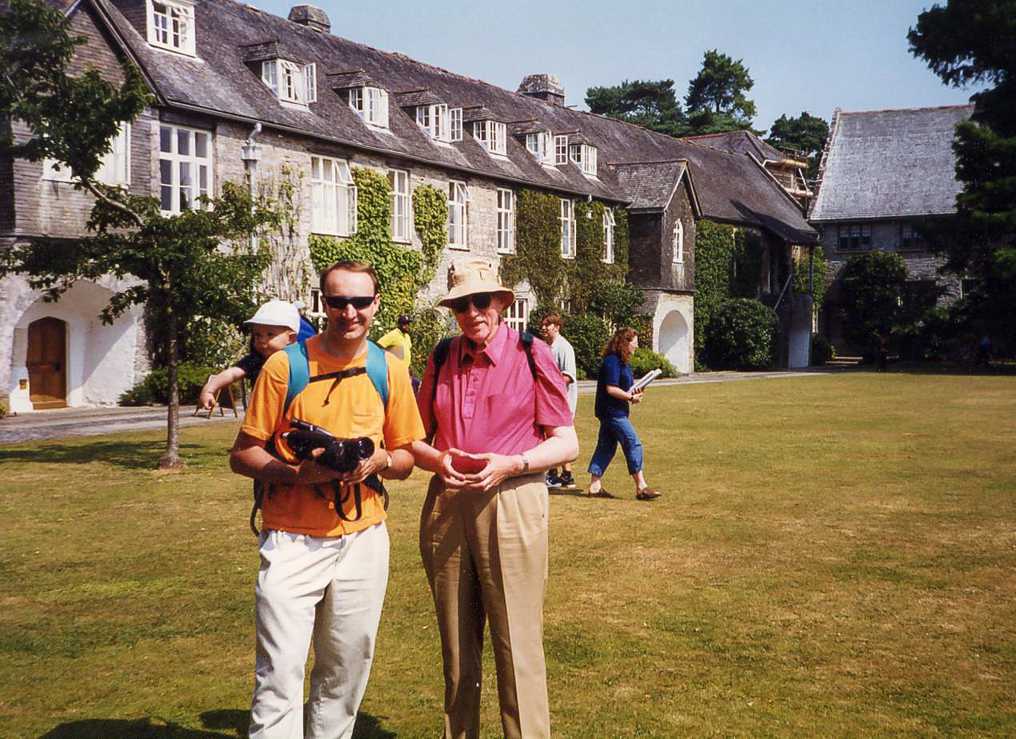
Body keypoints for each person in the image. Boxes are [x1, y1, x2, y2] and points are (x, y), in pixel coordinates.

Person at [229, 261, 425, 738]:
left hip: (363, 537)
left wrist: (377, 460)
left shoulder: (388, 369)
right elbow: (243, 454)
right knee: (279, 671)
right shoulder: (285, 366)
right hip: (292, 537)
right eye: (338, 301)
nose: (349, 312)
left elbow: (406, 457)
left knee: (346, 668)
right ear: (324, 304)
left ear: (376, 304)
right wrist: (298, 474)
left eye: (360, 301)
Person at [412, 258, 578, 739]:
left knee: (516, 646)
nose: (471, 313)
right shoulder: (442, 356)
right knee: (456, 650)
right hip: (447, 504)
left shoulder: (531, 353)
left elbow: (567, 442)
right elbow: (413, 439)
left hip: (512, 500)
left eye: (480, 301)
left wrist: (514, 464)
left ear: (501, 303)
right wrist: (436, 459)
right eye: (461, 305)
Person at [586, 327, 661, 501]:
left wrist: (636, 392)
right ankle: (641, 487)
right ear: (625, 343)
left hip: (616, 411)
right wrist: (630, 397)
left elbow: (624, 387)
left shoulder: (623, 363)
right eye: (635, 343)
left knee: (606, 447)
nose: (637, 346)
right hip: (612, 412)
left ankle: (595, 485)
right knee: (633, 443)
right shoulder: (612, 361)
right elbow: (611, 389)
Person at [198, 299, 299, 411]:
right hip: (262, 415)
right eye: (257, 335)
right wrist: (209, 389)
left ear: (291, 338)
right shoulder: (256, 360)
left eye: (270, 334)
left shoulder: (299, 361)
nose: (262, 340)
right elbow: (232, 373)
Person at [540, 312, 578, 489]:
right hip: (550, 402)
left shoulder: (564, 347)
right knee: (552, 437)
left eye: (547, 325)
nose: (543, 328)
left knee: (557, 438)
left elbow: (568, 376)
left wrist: (547, 384)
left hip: (562, 403)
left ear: (556, 327)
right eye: (542, 325)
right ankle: (563, 475)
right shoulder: (547, 347)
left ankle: (557, 475)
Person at [378, 314, 420, 393]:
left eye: (408, 324)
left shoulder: (407, 337)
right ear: (400, 324)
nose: (407, 326)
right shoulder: (393, 334)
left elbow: (407, 353)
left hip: (404, 371)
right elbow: (378, 345)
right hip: (394, 371)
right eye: (405, 324)